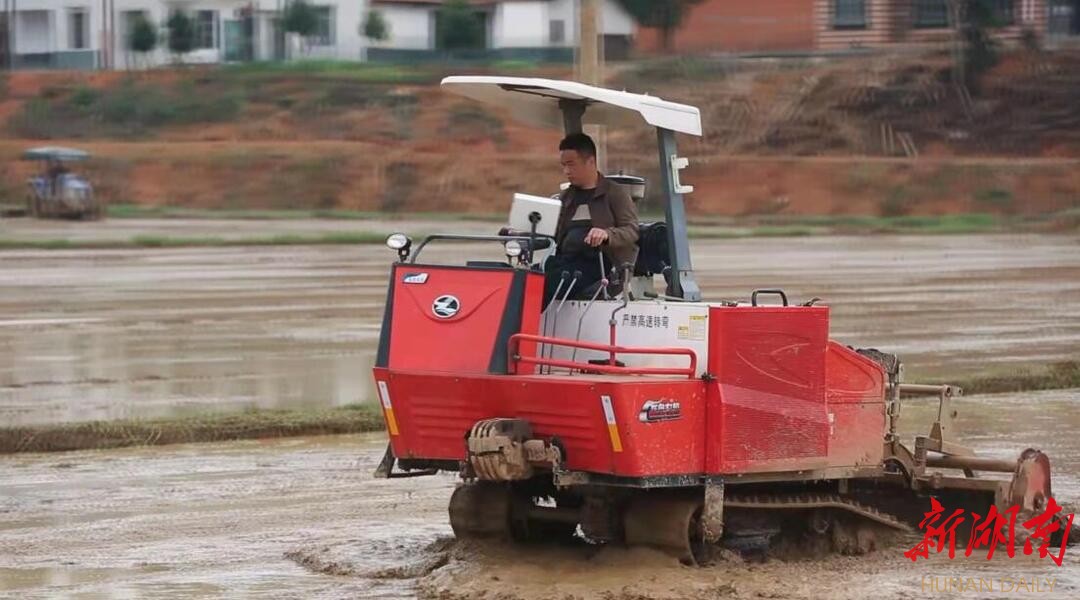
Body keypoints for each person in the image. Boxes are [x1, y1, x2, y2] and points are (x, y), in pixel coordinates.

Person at [543, 133, 639, 308]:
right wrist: (521, 233)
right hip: (564, 261)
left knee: (547, 284)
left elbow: (631, 230)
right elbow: (549, 233)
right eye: (563, 166)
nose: (566, 171)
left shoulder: (614, 194)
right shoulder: (566, 198)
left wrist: (607, 234)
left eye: (571, 165)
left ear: (591, 162)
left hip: (600, 265)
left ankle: (518, 327)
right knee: (525, 278)